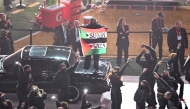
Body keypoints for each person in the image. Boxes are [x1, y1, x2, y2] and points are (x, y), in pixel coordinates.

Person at [136, 43, 157, 108]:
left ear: (144, 57)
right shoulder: (153, 61)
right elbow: (153, 51)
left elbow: (137, 60)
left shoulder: (143, 63)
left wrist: (141, 53)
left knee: (145, 90)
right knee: (152, 90)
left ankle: (149, 103)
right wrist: (146, 46)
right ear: (150, 56)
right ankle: (153, 103)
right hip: (152, 78)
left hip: (145, 78)